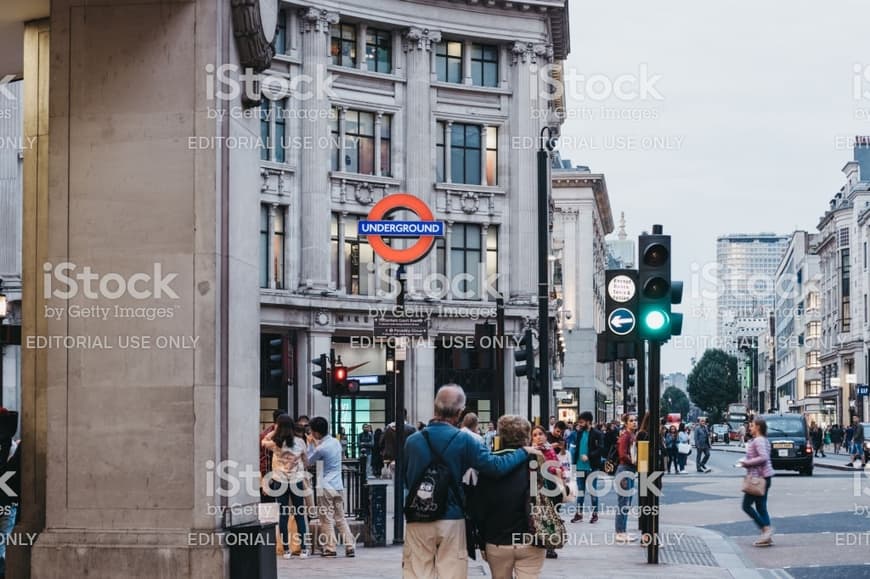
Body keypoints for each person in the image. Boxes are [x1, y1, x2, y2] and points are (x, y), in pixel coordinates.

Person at [402, 384, 537, 579]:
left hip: (417, 517)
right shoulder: (465, 440)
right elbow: (496, 467)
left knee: (417, 572)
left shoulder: (412, 441)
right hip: (451, 517)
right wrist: (523, 452)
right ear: (459, 412)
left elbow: (407, 479)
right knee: (451, 572)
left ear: (435, 407)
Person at [470, 415, 545, 579]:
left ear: (500, 436)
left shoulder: (489, 465)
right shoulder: (536, 461)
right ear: (526, 436)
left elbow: (479, 508)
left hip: (497, 540)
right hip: (530, 539)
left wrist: (481, 542)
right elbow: (553, 496)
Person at [306, 416, 356, 557]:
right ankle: (350, 546)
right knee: (340, 517)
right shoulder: (335, 442)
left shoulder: (320, 449)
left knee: (326, 518)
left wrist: (310, 444)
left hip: (325, 486)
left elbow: (308, 461)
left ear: (316, 433)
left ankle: (330, 548)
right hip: (338, 485)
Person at [262, 414, 310, 559]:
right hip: (296, 481)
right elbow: (306, 461)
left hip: (280, 481)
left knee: (282, 516)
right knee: (299, 515)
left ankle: (286, 550)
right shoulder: (300, 442)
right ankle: (303, 549)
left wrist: (275, 430)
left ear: (279, 427)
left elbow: (263, 441)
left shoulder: (276, 443)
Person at [736, 416, 775, 547]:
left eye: (752, 425)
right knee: (761, 507)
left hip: (757, 478)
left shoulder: (758, 440)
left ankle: (765, 530)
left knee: (746, 506)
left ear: (758, 427)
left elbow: (763, 457)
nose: (750, 428)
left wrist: (746, 462)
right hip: (765, 477)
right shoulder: (763, 440)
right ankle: (766, 536)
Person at [532, 424, 564, 559]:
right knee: (539, 517)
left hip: (552, 487)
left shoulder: (549, 449)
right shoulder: (532, 451)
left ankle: (550, 546)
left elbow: (557, 465)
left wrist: (558, 471)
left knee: (552, 517)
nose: (538, 437)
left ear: (545, 436)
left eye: (540, 434)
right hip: (537, 487)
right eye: (535, 435)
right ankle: (539, 543)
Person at [569, 411, 603, 524]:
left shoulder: (597, 434)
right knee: (580, 492)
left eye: (582, 422)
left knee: (592, 491)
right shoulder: (578, 433)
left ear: (588, 422)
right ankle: (579, 514)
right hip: (579, 466)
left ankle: (594, 514)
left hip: (591, 467)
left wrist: (589, 456)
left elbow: (601, 449)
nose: (580, 424)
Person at [0, 409, 19, 578]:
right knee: (3, 543)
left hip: (6, 502)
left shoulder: (11, 446)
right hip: (8, 503)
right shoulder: (12, 447)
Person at [614, 414, 638, 543]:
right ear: (626, 423)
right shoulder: (625, 436)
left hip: (628, 470)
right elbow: (622, 454)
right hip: (624, 470)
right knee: (623, 503)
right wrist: (634, 462)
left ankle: (622, 531)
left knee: (626, 503)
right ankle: (620, 532)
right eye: (631, 421)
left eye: (635, 420)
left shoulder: (632, 435)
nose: (634, 423)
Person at [259, 409, 285, 485]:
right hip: (273, 474)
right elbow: (264, 457)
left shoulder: (266, 434)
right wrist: (266, 477)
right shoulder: (268, 435)